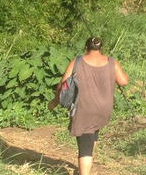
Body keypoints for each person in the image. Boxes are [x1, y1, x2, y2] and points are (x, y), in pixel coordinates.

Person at [48, 36, 129, 175]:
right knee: (92, 133)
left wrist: (55, 101)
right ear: (101, 48)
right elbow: (123, 81)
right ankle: (86, 168)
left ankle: (84, 172)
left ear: (86, 48)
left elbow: (63, 84)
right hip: (104, 109)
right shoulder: (111, 62)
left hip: (84, 108)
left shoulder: (78, 61)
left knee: (84, 146)